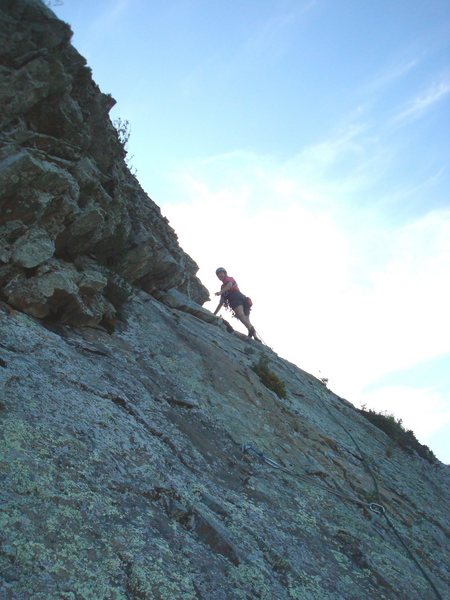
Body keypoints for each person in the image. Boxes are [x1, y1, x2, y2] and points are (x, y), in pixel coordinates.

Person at [213, 267, 259, 340]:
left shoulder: (229, 279)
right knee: (245, 319)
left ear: (225, 273)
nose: (219, 275)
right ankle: (255, 337)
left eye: (221, 273)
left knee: (241, 316)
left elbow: (230, 285)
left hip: (235, 298)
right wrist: (214, 314)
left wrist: (221, 292)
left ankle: (252, 331)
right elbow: (221, 302)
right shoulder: (223, 287)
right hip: (242, 299)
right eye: (218, 274)